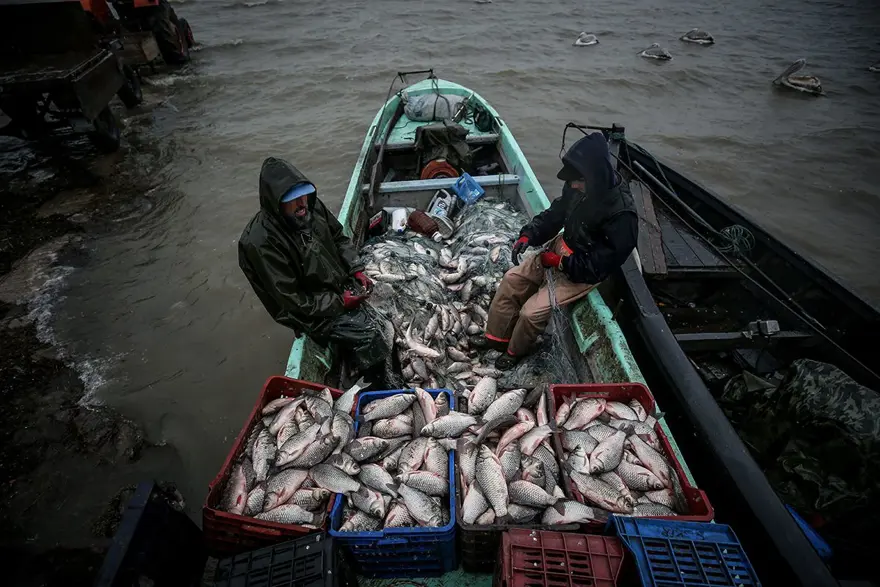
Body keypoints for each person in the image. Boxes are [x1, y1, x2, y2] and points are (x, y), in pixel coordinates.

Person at [476, 133, 638, 370]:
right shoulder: (578, 185)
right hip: (559, 248)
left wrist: (561, 263)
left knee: (531, 313)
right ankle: (495, 339)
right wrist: (529, 234)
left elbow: (600, 266)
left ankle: (515, 352)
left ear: (593, 177)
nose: (572, 185)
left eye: (577, 181)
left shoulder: (622, 214)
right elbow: (556, 213)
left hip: (583, 270)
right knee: (511, 280)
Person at [238, 157, 388, 375]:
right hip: (306, 312)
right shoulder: (261, 242)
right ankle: (377, 382)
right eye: (293, 200)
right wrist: (339, 302)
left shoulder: (311, 205)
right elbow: (292, 300)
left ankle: (358, 359)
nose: (302, 204)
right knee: (370, 333)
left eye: (304, 195)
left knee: (381, 316)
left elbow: (338, 237)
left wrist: (356, 268)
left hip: (333, 285)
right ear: (277, 203)